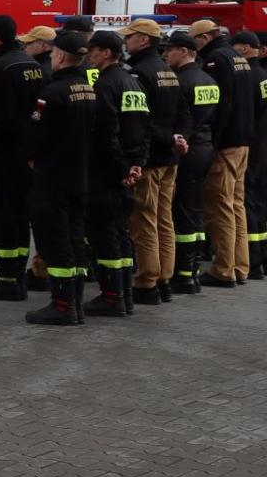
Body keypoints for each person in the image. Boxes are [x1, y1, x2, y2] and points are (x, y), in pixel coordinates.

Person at [23, 30, 95, 326]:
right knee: (75, 240)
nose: (51, 59)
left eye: (53, 54)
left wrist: (28, 153)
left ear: (62, 56)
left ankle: (62, 304)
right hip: (79, 176)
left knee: (55, 242)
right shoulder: (88, 89)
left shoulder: (52, 93)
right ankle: (74, 303)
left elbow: (38, 135)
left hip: (53, 177)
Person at [0, 15, 43, 303]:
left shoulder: (1, 68)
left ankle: (7, 279)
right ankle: (17, 276)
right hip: (27, 155)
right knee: (20, 217)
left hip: (4, 155)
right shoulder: (33, 65)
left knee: (2, 218)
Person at [80, 30, 148, 317]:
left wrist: (121, 169)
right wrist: (136, 165)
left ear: (106, 53)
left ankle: (111, 297)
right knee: (120, 233)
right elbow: (143, 127)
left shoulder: (106, 84)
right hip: (128, 168)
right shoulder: (133, 83)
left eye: (93, 51)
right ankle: (124, 295)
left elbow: (106, 133)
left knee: (104, 234)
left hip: (108, 172)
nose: (89, 56)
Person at [122, 18, 188, 304]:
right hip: (170, 159)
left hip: (150, 158)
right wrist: (179, 138)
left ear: (144, 40)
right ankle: (164, 279)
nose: (125, 42)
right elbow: (184, 112)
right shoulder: (169, 71)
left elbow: (142, 120)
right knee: (164, 218)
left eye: (130, 37)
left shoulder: (138, 72)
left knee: (144, 220)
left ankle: (147, 281)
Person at [191, 19, 256, 286]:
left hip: (227, 144)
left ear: (205, 37)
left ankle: (223, 268)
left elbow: (222, 104)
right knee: (236, 204)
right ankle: (241, 265)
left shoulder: (216, 59)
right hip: (243, 142)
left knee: (221, 206)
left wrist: (213, 142)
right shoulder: (236, 56)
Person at [168, 32, 219, 294]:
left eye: (171, 51)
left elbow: (179, 119)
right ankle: (194, 268)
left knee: (182, 211)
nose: (166, 55)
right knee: (196, 208)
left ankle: (183, 274)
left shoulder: (181, 81)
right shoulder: (208, 79)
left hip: (187, 149)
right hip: (206, 146)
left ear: (185, 51)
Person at [236, 31, 267, 280]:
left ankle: (253, 260)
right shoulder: (263, 76)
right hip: (263, 146)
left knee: (249, 202)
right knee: (260, 203)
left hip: (254, 146)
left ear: (246, 49)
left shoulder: (249, 76)